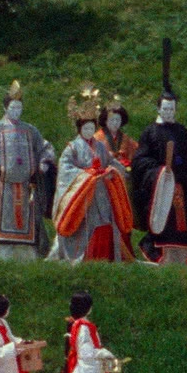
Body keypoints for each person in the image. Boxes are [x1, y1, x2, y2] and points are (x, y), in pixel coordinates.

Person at [129, 42, 187, 264]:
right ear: (158, 109)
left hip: (183, 190)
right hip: (163, 190)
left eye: (171, 109)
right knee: (164, 229)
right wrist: (159, 173)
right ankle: (163, 259)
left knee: (185, 229)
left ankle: (185, 260)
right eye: (165, 109)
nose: (168, 112)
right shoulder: (151, 132)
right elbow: (140, 161)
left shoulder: (181, 131)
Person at [0, 80, 56, 261]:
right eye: (13, 108)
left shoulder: (30, 130)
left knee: (28, 221)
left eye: (19, 108)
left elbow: (45, 148)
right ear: (5, 108)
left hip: (26, 187)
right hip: (1, 186)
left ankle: (27, 255)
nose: (16, 111)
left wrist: (44, 162)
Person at [48, 85, 138, 263]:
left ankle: (106, 257)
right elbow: (65, 170)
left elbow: (111, 162)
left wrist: (115, 170)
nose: (89, 132)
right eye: (86, 129)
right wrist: (88, 176)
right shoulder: (72, 148)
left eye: (91, 129)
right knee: (85, 225)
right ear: (79, 129)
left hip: (102, 193)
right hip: (83, 196)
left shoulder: (100, 146)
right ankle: (83, 257)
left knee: (105, 222)